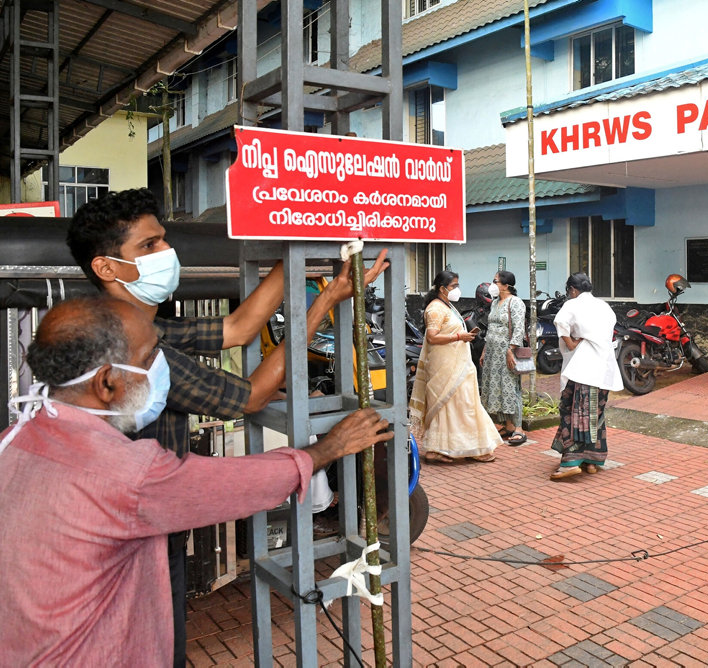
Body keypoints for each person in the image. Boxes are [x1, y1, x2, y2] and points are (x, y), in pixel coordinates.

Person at [66, 188, 387, 666]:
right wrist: (324, 304)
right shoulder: (138, 355)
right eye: (149, 246)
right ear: (107, 268)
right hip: (134, 544)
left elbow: (236, 328)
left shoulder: (128, 325)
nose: (166, 253)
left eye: (163, 241)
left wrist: (293, 254)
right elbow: (251, 396)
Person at [0, 296, 392, 665]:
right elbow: (236, 484)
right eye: (151, 356)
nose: (161, 366)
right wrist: (327, 449)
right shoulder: (124, 472)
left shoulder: (13, 440)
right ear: (106, 383)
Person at [409, 270, 501, 463]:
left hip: (459, 364)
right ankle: (443, 450)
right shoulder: (435, 309)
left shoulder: (447, 305)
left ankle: (453, 448)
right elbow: (432, 337)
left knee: (462, 405)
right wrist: (460, 337)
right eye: (453, 286)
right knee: (451, 405)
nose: (457, 290)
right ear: (442, 289)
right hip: (445, 367)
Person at [549, 272, 623, 481]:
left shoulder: (572, 305)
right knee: (595, 411)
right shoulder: (604, 306)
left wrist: (571, 343)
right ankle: (592, 460)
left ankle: (570, 463)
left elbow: (560, 322)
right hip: (604, 367)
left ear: (572, 289)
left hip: (583, 366)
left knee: (574, 411)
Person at [479, 271, 527, 445]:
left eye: (495, 281)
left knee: (511, 388)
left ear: (506, 285)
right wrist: (485, 351)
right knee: (497, 388)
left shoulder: (516, 303)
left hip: (507, 352)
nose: (492, 284)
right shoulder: (495, 303)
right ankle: (508, 425)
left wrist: (511, 349)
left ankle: (519, 428)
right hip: (493, 353)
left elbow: (519, 328)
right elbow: (490, 328)